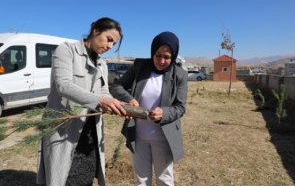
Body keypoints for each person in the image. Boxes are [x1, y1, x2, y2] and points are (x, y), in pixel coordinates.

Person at [37, 17, 127, 186]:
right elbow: (63, 86)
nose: (109, 47)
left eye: (113, 44)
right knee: (63, 178)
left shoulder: (102, 64)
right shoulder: (66, 50)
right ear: (95, 31)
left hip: (90, 133)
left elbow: (104, 92)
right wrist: (99, 101)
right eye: (109, 40)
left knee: (85, 178)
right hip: (64, 130)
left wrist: (118, 105)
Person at [110, 31, 188, 186]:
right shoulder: (140, 66)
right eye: (158, 54)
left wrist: (164, 112)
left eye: (167, 57)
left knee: (164, 179)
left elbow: (180, 107)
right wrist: (130, 99)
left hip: (163, 137)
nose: (161, 60)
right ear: (153, 51)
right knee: (141, 179)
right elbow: (117, 87)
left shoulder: (179, 75)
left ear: (173, 57)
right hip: (138, 135)